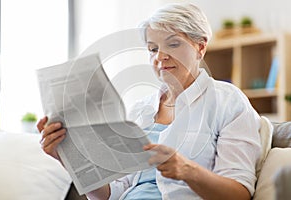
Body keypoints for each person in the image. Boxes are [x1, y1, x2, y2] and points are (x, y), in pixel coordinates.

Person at [37, 2, 261, 200]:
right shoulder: (140, 110)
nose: (160, 56)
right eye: (153, 49)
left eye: (173, 44)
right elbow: (110, 194)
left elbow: (239, 193)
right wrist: (67, 157)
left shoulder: (227, 101)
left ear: (200, 47)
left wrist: (186, 170)